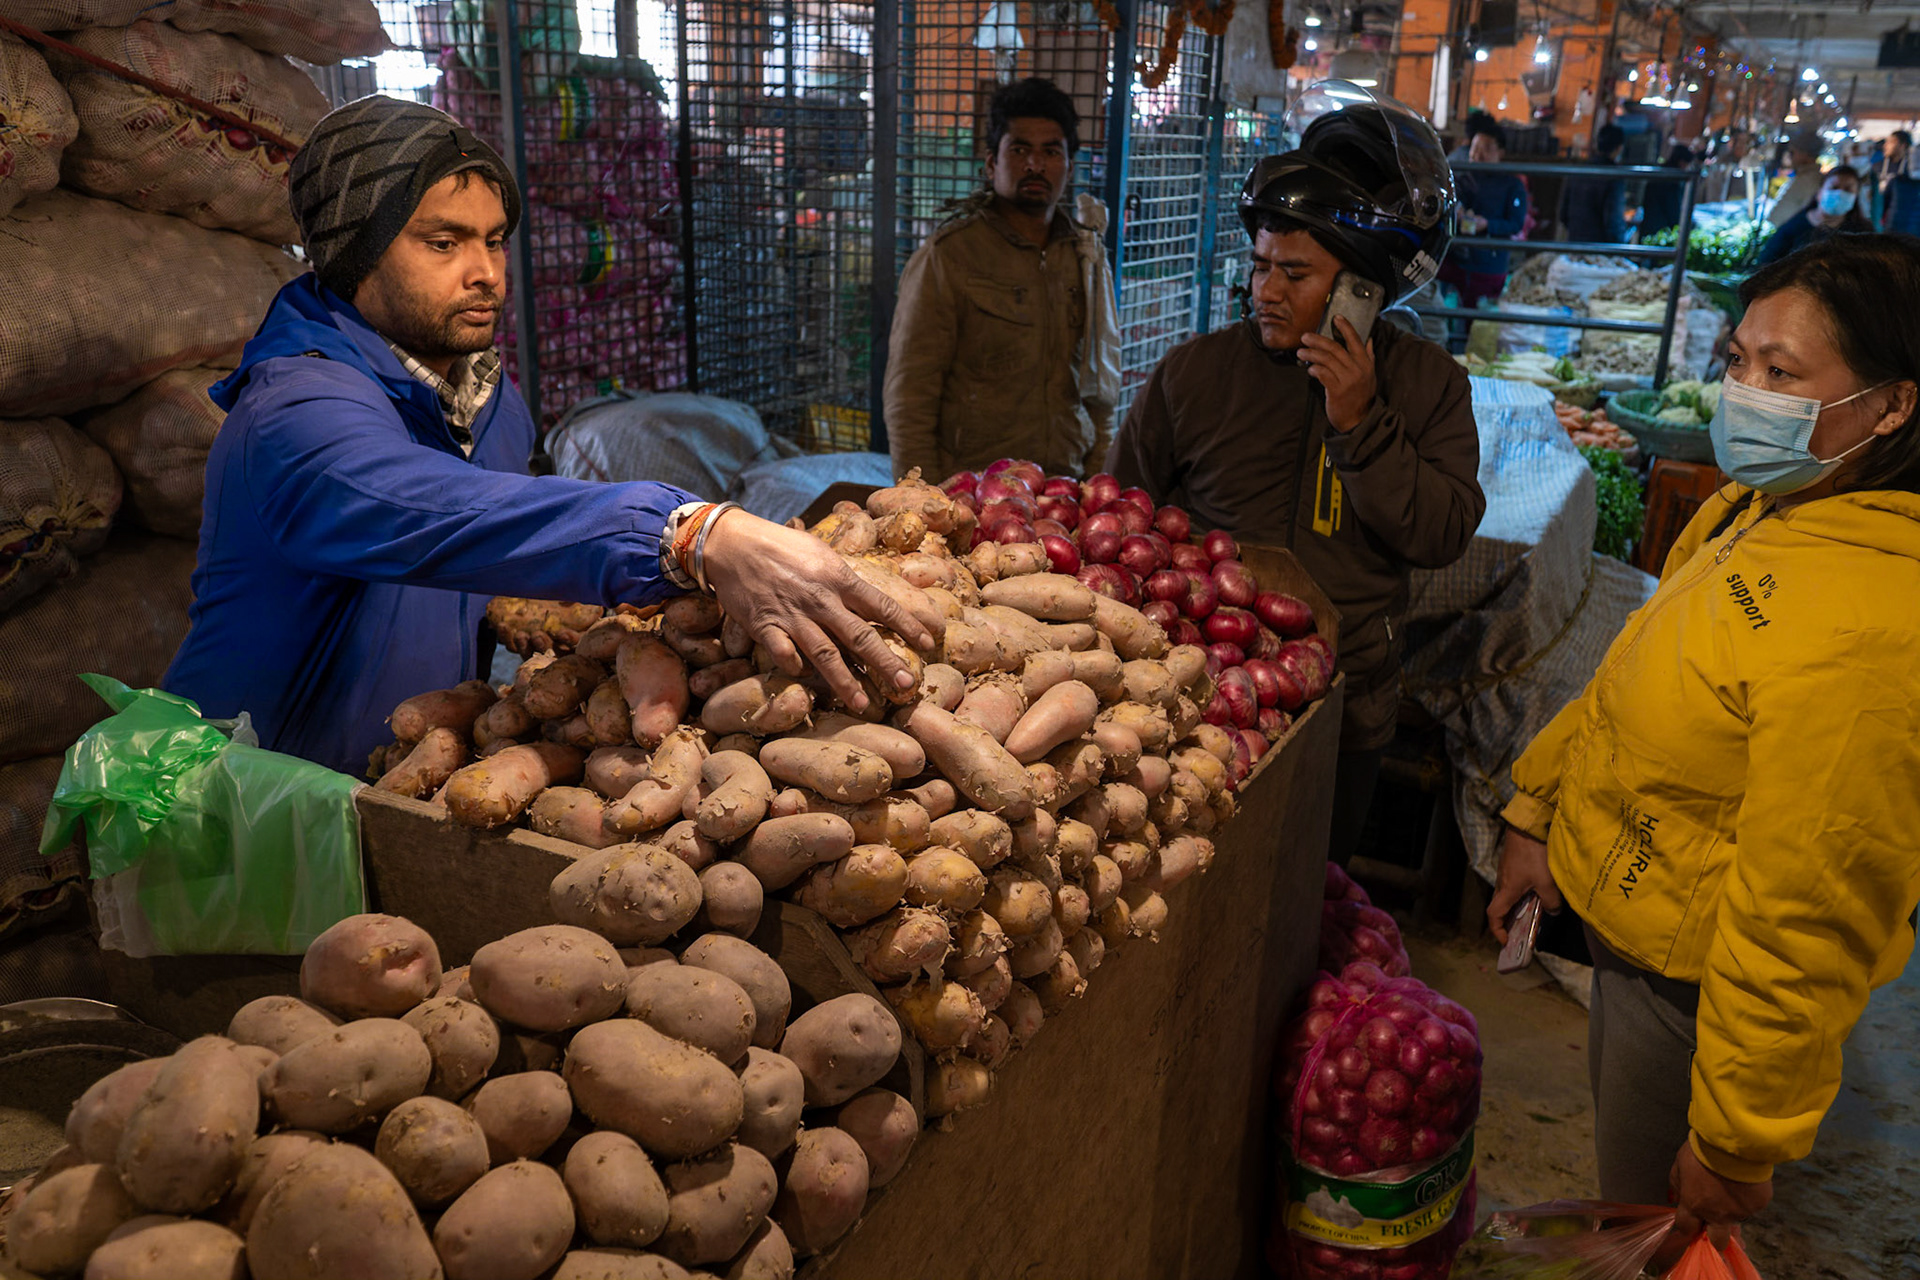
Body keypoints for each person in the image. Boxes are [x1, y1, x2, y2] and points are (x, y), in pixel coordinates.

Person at [164, 96, 933, 778]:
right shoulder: (296, 411)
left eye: (495, 240)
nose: (487, 272)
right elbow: (422, 507)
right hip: (258, 802)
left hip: (402, 783)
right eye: (443, 242)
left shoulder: (487, 398)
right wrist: (687, 534)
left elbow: (486, 547)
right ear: (351, 253)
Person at [1487, 234, 1920, 1267]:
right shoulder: (1759, 507)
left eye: (1783, 372)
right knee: (1631, 1198)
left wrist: (1736, 1135)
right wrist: (1537, 809)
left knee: (1660, 1227)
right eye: (1738, 361)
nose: (1744, 393)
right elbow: (1638, 670)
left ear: (1894, 405)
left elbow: (1806, 911)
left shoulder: (1870, 629)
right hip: (1637, 929)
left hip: (1695, 993)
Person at [1105, 84, 1485, 866]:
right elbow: (1124, 517)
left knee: (1308, 897)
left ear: (1363, 289)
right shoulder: (1196, 374)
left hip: (1344, 708)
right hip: (1199, 697)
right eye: (1260, 265)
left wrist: (1361, 422)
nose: (1265, 291)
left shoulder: (1427, 386)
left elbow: (1442, 532)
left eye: (1296, 274)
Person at [882, 77, 1119, 482]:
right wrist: (920, 499)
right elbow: (910, 398)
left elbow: (1101, 386)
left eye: (1051, 151)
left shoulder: (1085, 255)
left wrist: (1095, 477)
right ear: (992, 163)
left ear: (1069, 165)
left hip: (1064, 490)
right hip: (974, 496)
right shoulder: (949, 256)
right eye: (1020, 149)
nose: (1035, 164)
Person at [1437, 114, 1529, 309]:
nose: (1477, 154)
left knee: (1478, 317)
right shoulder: (1460, 180)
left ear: (1501, 152)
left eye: (1486, 149)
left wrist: (1487, 224)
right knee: (1442, 307)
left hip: (1489, 264)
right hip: (1457, 260)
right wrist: (1456, 212)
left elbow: (1515, 224)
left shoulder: (1512, 185)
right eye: (1475, 148)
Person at [1754, 167, 1873, 265]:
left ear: (1856, 197)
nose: (1839, 194)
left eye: (1848, 189)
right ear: (1819, 193)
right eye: (1834, 187)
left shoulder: (1862, 233)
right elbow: (1766, 263)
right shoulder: (1794, 227)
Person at [1562, 124, 1630, 243]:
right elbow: (1613, 221)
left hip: (1574, 241)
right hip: (1598, 247)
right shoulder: (1614, 176)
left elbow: (1563, 214)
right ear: (1619, 148)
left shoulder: (1579, 170)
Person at [1636, 139, 1695, 241]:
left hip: (1648, 231)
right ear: (1682, 163)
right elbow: (1674, 214)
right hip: (1660, 235)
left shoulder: (1660, 174)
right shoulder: (1672, 181)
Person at [1765, 129, 1824, 227]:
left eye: (1792, 152)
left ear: (1805, 154)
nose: (1789, 157)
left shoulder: (1808, 181)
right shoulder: (1803, 177)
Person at [1882, 130, 1920, 233]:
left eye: (1890, 142)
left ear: (1903, 145)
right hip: (1890, 225)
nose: (1885, 146)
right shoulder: (1879, 166)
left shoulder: (1911, 173)